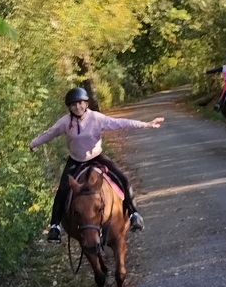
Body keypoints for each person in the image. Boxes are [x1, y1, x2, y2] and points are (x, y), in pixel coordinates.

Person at [29, 87, 164, 243]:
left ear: (86, 103)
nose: (77, 107)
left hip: (96, 157)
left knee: (122, 179)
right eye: (73, 105)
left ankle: (134, 214)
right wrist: (34, 143)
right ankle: (55, 227)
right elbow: (50, 133)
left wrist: (146, 124)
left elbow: (120, 123)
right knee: (63, 190)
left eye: (80, 103)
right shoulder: (65, 122)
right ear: (69, 107)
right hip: (76, 160)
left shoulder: (96, 118)